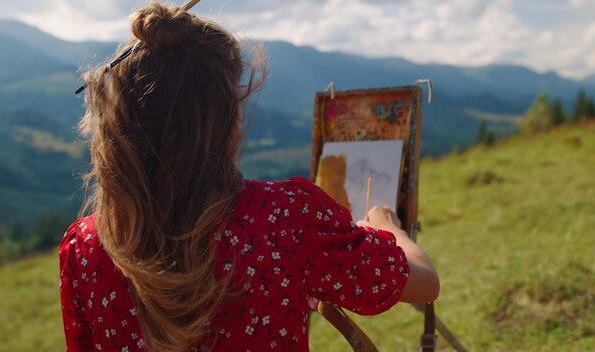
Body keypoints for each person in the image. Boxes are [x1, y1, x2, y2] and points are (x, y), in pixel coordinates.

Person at [59, 2, 439, 351]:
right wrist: (392, 231)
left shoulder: (84, 247)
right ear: (223, 122)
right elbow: (424, 284)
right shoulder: (286, 217)